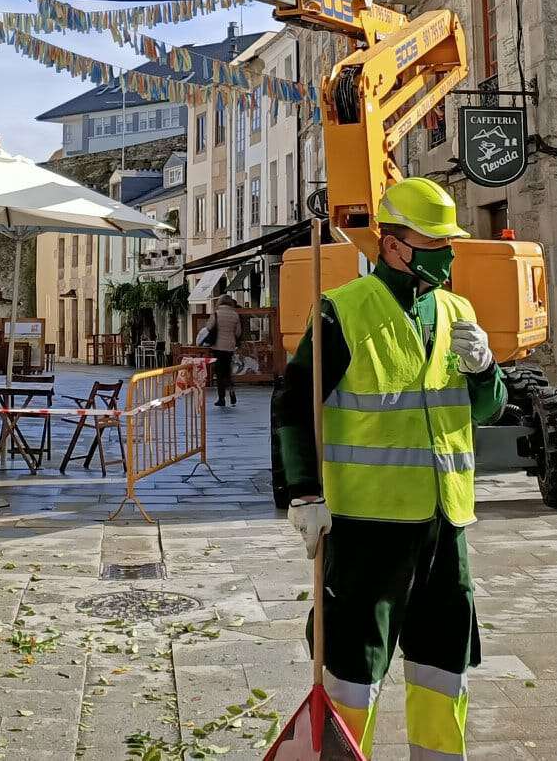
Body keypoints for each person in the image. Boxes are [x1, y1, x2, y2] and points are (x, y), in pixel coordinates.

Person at [272, 176, 508, 760]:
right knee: (355, 668)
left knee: (443, 664)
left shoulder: (457, 311)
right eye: (434, 242)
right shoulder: (342, 311)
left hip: (445, 523)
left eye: (449, 240)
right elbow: (293, 404)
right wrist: (302, 493)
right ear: (395, 244)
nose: (447, 253)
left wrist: (485, 370)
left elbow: (486, 409)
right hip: (367, 526)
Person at [208, 284, 243, 408]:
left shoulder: (216, 314)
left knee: (219, 372)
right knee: (227, 371)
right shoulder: (235, 315)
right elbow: (238, 332)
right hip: (229, 347)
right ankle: (232, 391)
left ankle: (221, 398)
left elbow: (209, 327)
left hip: (217, 347)